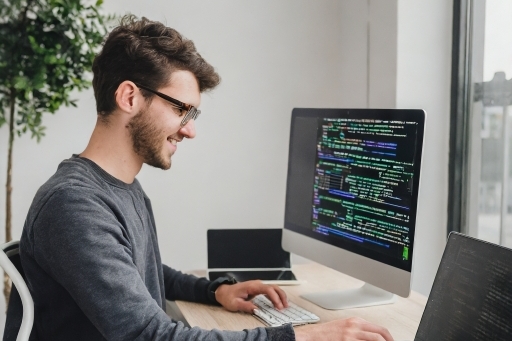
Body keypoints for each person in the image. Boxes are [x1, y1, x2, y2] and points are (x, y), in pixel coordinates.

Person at [18, 15, 394, 341]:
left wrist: (215, 292)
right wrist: (299, 335)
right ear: (130, 97)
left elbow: (137, 273)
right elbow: (150, 336)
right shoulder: (74, 206)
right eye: (182, 110)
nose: (189, 131)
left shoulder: (115, 188)